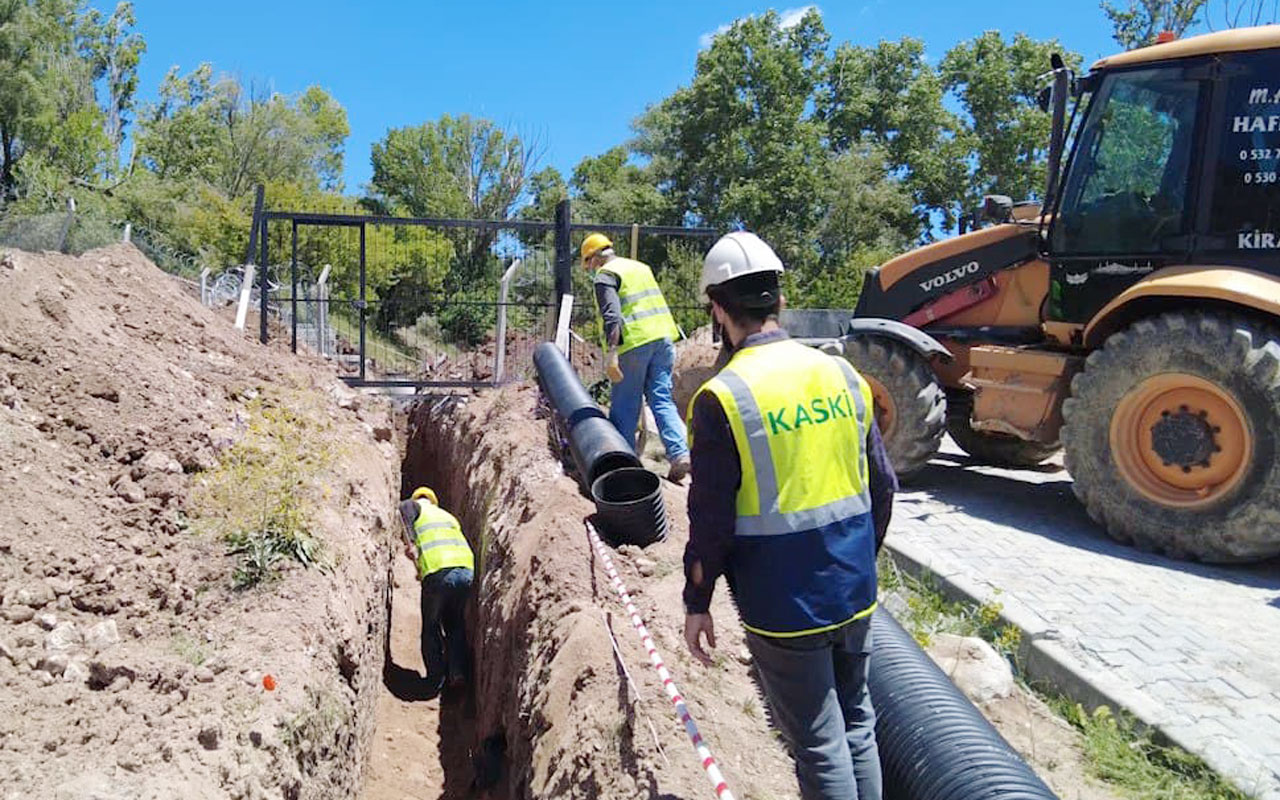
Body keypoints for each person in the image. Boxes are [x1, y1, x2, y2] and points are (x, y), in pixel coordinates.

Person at [681, 231, 898, 800]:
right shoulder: (842, 375)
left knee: (820, 744)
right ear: (778, 301)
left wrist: (697, 602)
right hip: (854, 588)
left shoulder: (722, 398)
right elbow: (884, 487)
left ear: (718, 310)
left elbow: (710, 524)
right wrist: (856, 562)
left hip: (784, 605)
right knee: (858, 726)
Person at [581, 232, 692, 482]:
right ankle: (680, 453)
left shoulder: (606, 275)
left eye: (588, 264)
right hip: (663, 339)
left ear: (594, 257)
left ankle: (625, 465)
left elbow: (612, 314)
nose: (590, 270)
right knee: (661, 399)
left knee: (624, 405)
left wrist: (611, 353)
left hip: (634, 343)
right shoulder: (640, 267)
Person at [398, 486, 475, 696]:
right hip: (466, 571)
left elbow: (402, 512)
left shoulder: (413, 506)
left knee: (431, 627)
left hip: (438, 571)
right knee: (455, 623)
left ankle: (435, 681)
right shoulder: (448, 516)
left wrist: (411, 544)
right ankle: (457, 673)